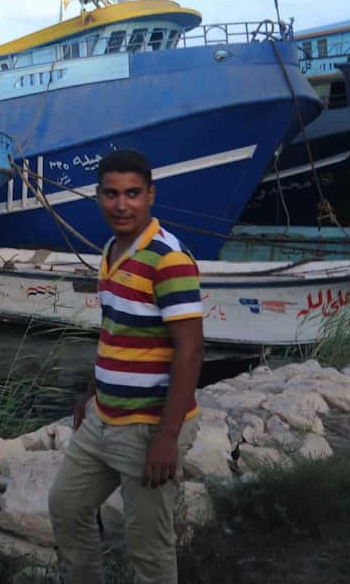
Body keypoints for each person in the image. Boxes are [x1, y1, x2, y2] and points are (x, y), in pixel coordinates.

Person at [47, 149, 204, 584]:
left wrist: (167, 436)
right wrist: (94, 391)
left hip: (148, 426)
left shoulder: (167, 258)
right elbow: (116, 331)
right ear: (98, 197)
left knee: (149, 552)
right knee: (67, 506)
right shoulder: (112, 250)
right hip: (104, 418)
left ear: (150, 195)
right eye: (111, 194)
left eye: (133, 194)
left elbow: (189, 351)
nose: (122, 204)